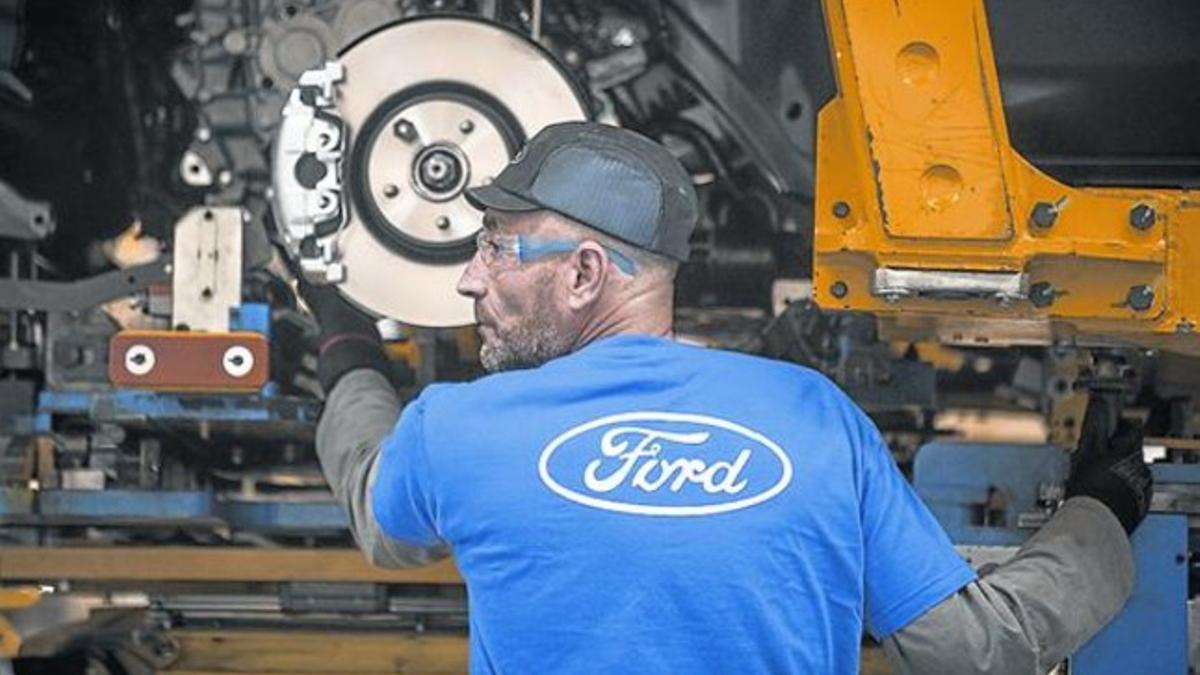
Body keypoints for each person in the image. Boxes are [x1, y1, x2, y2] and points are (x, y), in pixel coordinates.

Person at [308, 121, 1152, 673]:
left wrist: (347, 351)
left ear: (585, 272)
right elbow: (974, 649)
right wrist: (1100, 514)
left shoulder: (458, 430)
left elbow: (374, 502)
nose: (467, 276)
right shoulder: (814, 420)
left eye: (496, 248)